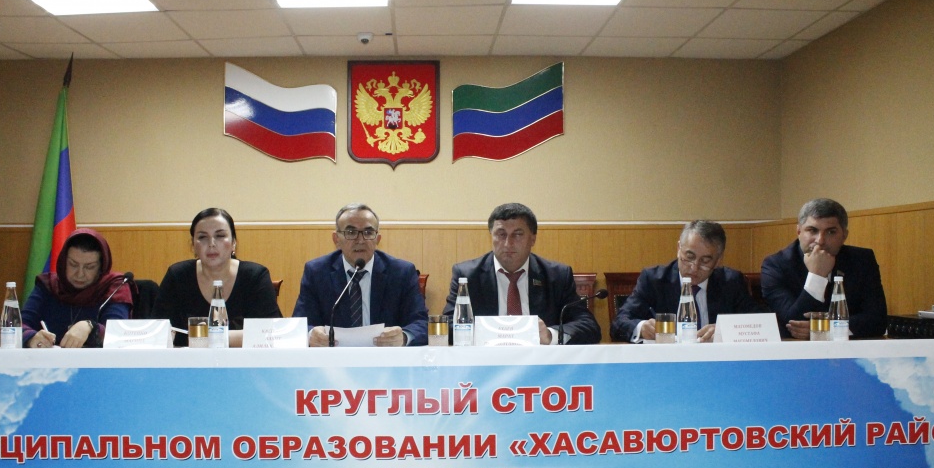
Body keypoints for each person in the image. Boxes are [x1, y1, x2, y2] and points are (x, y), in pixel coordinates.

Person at [444, 203, 601, 345]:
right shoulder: (467, 275)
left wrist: (550, 335)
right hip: (486, 360)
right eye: (501, 234)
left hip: (540, 361)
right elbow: (449, 325)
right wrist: (489, 333)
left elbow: (588, 325)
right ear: (491, 236)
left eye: (517, 234)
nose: (508, 243)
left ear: (532, 239)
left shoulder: (557, 276)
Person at [293, 203, 428, 347]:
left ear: (377, 239)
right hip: (334, 358)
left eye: (368, 232)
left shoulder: (401, 272)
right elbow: (299, 325)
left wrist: (404, 337)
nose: (360, 240)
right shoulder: (317, 272)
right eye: (351, 232)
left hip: (385, 357)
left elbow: (422, 323)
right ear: (336, 239)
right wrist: (311, 335)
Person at [611, 220, 764, 343]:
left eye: (705, 261)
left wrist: (725, 330)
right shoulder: (654, 280)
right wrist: (641, 327)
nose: (694, 267)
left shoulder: (731, 282)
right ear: (679, 249)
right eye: (689, 257)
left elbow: (762, 324)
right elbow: (619, 323)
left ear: (718, 260)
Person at [152, 208, 281, 347]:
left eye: (220, 235)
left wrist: (209, 338)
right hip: (188, 359)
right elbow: (158, 333)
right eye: (202, 237)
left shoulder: (255, 276)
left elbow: (270, 333)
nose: (211, 243)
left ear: (234, 243)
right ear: (193, 245)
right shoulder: (177, 276)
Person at [761, 198, 887, 339]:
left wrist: (826, 329)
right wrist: (817, 276)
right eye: (812, 230)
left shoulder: (862, 260)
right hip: (796, 349)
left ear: (844, 235)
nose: (820, 240)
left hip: (849, 347)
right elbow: (793, 323)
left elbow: (878, 320)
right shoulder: (775, 265)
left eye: (830, 232)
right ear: (799, 231)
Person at [23, 228, 132, 348]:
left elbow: (118, 333)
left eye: (89, 267)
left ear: (101, 267)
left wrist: (90, 327)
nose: (80, 274)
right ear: (64, 262)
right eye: (73, 264)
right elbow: (17, 326)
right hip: (49, 359)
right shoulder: (48, 285)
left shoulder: (115, 287)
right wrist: (31, 338)